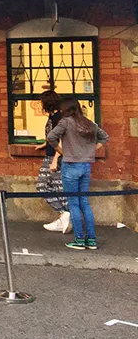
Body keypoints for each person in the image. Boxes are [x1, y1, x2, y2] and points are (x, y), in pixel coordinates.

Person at [47, 98, 109, 250]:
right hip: (86, 166)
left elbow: (51, 137)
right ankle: (92, 240)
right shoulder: (89, 123)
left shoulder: (65, 122)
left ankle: (79, 239)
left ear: (65, 109)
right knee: (85, 202)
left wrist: (62, 152)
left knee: (73, 203)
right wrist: (92, 150)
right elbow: (104, 137)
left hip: (70, 165)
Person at [33, 91, 70, 233]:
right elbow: (52, 135)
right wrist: (45, 143)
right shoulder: (53, 116)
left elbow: (61, 140)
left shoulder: (58, 118)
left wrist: (55, 160)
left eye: (42, 102)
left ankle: (64, 215)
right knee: (53, 186)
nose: (41, 104)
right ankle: (64, 217)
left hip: (55, 157)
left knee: (46, 186)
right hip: (52, 155)